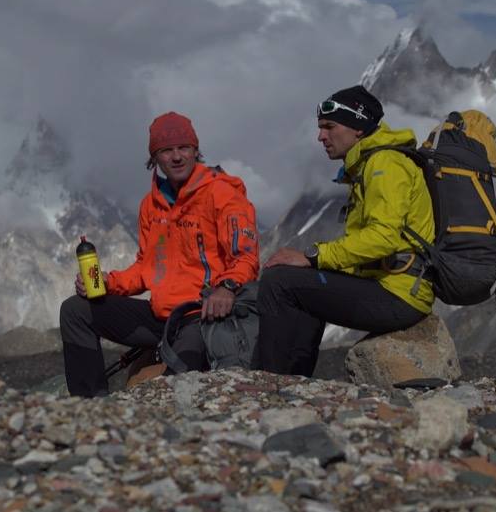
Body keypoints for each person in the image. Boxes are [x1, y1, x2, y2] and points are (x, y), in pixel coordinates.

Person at [60, 111, 260, 397]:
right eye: (166, 151)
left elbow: (246, 257)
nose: (177, 157)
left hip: (201, 317)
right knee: (75, 310)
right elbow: (146, 267)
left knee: (176, 386)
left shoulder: (223, 194)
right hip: (161, 317)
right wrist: (108, 282)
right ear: (155, 158)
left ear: (195, 151)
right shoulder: (150, 206)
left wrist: (226, 288)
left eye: (184, 148)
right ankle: (89, 404)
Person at [256, 85, 434, 376]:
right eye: (320, 128)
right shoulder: (368, 164)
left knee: (280, 283)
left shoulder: (384, 164)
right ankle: (291, 379)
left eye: (329, 126)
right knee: (298, 282)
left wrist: (314, 256)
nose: (321, 136)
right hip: (390, 286)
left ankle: (271, 379)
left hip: (398, 295)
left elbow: (384, 238)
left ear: (358, 128)